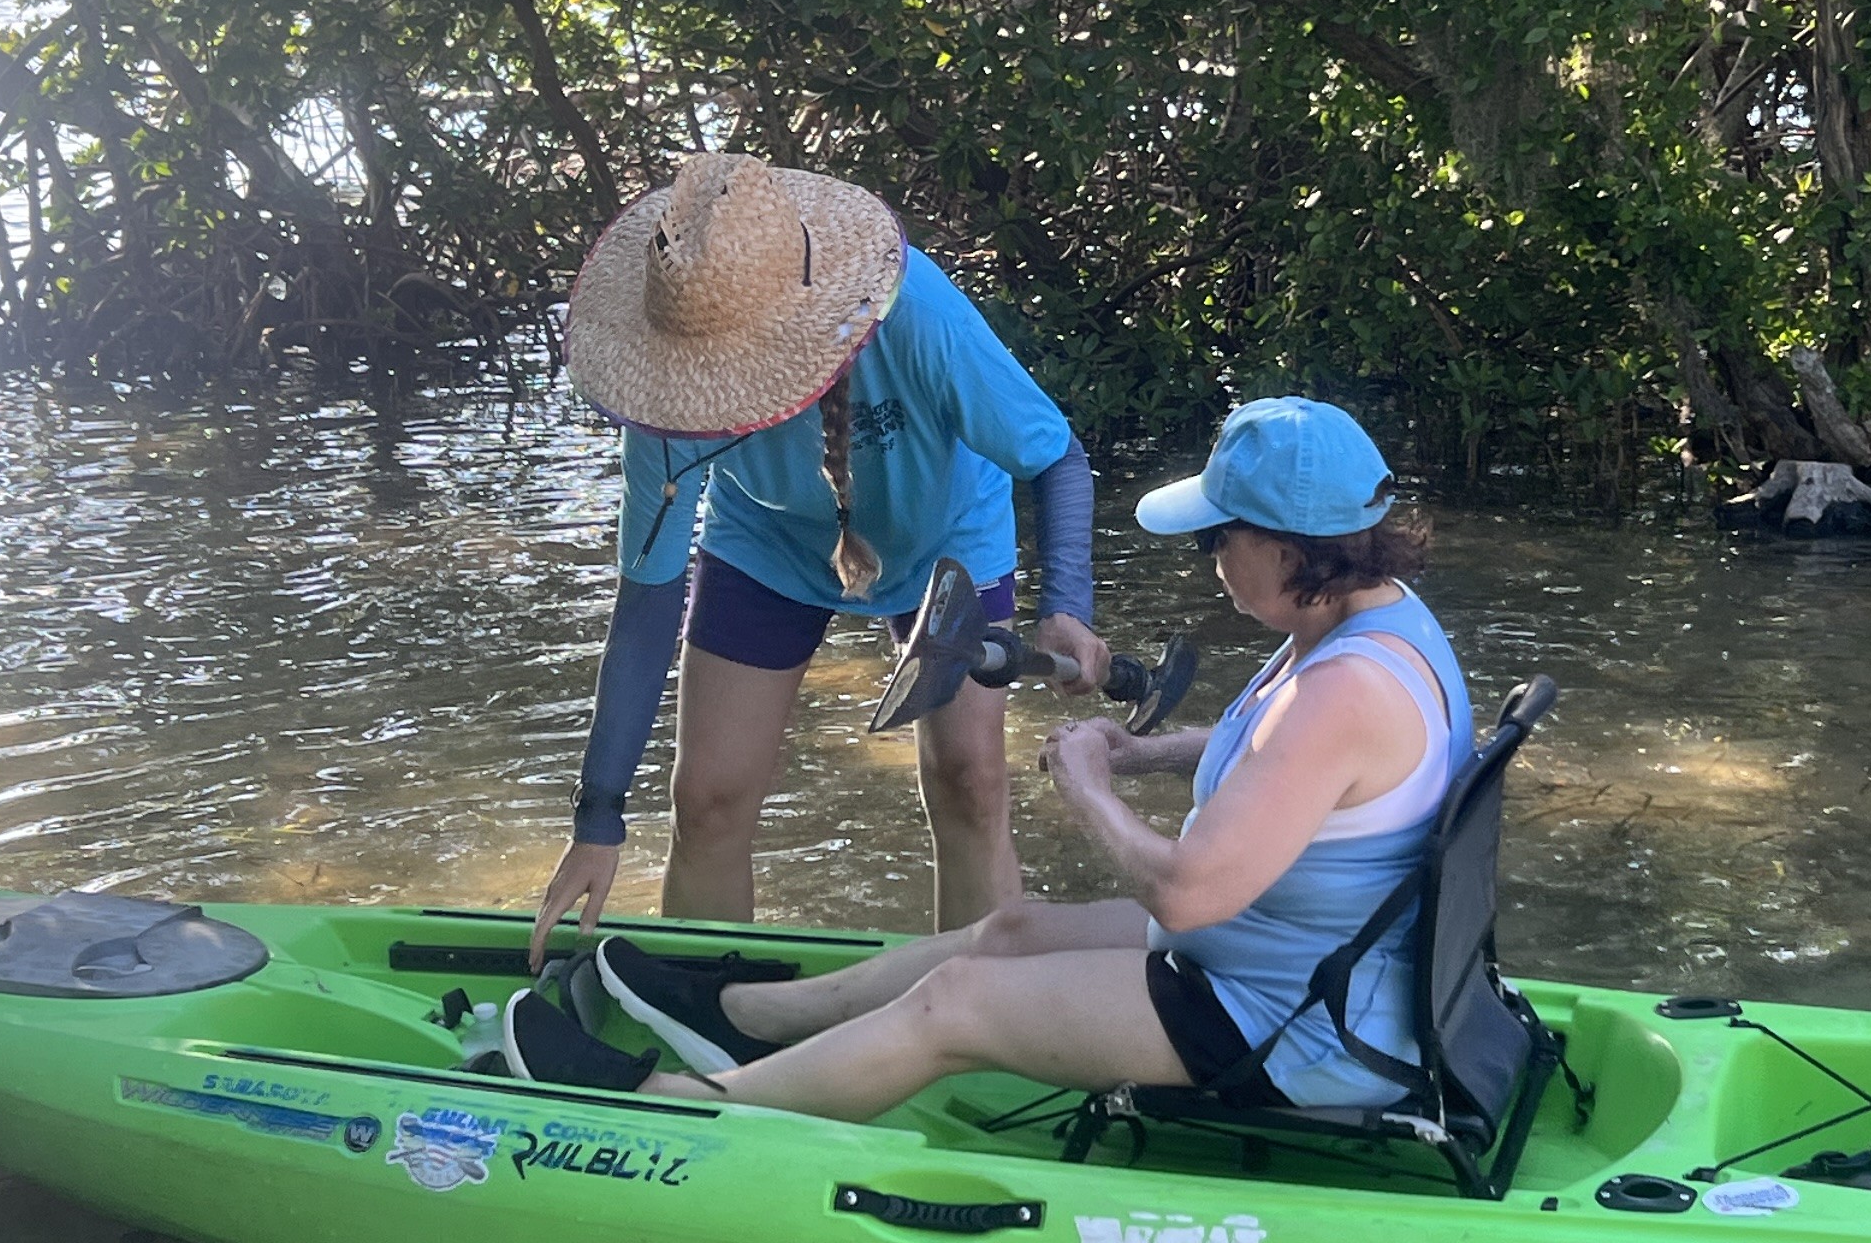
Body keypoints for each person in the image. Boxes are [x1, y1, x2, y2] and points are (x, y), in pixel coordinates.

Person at [510, 397, 1468, 1125]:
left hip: (1284, 1021)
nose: (1210, 559)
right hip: (1295, 963)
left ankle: (686, 1102)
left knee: (957, 1004)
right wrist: (1145, 751)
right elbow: (1289, 763)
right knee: (1005, 931)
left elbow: (1184, 897)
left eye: (1221, 538)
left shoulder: (1342, 691)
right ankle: (752, 1013)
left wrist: (1090, 787)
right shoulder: (1376, 626)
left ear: (1291, 546)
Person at [531, 151, 1110, 957]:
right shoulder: (661, 394)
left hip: (945, 532)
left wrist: (1066, 609)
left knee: (971, 784)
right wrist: (598, 816)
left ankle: (983, 1013)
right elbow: (647, 601)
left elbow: (1055, 457)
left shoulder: (918, 316)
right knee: (708, 801)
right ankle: (702, 1021)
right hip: (766, 539)